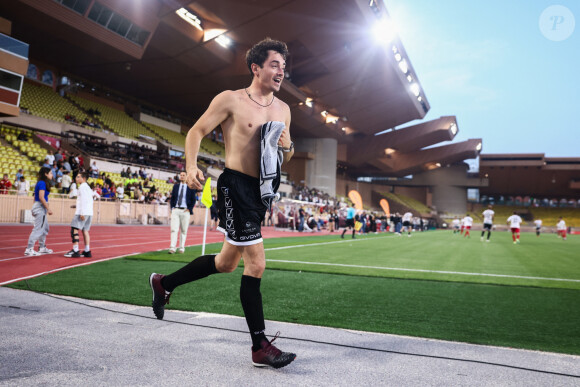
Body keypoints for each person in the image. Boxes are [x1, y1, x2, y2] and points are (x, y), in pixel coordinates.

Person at [149, 38, 296, 369]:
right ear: (255, 67)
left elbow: (286, 155)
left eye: (284, 67)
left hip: (261, 191)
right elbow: (196, 132)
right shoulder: (230, 99)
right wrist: (190, 166)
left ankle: (163, 283)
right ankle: (259, 345)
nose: (281, 72)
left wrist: (289, 146)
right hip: (234, 186)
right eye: (274, 65)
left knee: (227, 263)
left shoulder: (284, 110)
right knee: (255, 264)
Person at [24, 167, 54, 256]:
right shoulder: (42, 183)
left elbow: (35, 197)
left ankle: (42, 247)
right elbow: (41, 197)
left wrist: (33, 208)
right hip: (40, 207)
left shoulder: (42, 183)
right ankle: (29, 249)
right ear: (46, 174)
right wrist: (48, 209)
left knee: (45, 228)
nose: (52, 175)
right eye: (51, 173)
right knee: (38, 229)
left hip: (39, 207)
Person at [64, 171, 94, 258]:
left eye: (78, 177)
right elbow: (88, 201)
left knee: (74, 229)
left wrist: (82, 213)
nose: (76, 178)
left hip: (83, 212)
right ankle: (87, 251)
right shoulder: (88, 188)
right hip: (89, 212)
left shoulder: (82, 187)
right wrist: (77, 206)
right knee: (85, 231)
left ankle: (76, 250)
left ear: (83, 178)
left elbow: (84, 200)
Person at [168, 171, 196, 253]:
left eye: (184, 175)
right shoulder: (176, 186)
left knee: (184, 230)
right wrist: (172, 207)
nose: (182, 176)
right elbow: (172, 198)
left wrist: (189, 209)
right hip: (176, 210)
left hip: (185, 210)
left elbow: (193, 200)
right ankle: (172, 247)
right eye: (181, 175)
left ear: (187, 177)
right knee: (174, 229)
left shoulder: (190, 187)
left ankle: (181, 247)